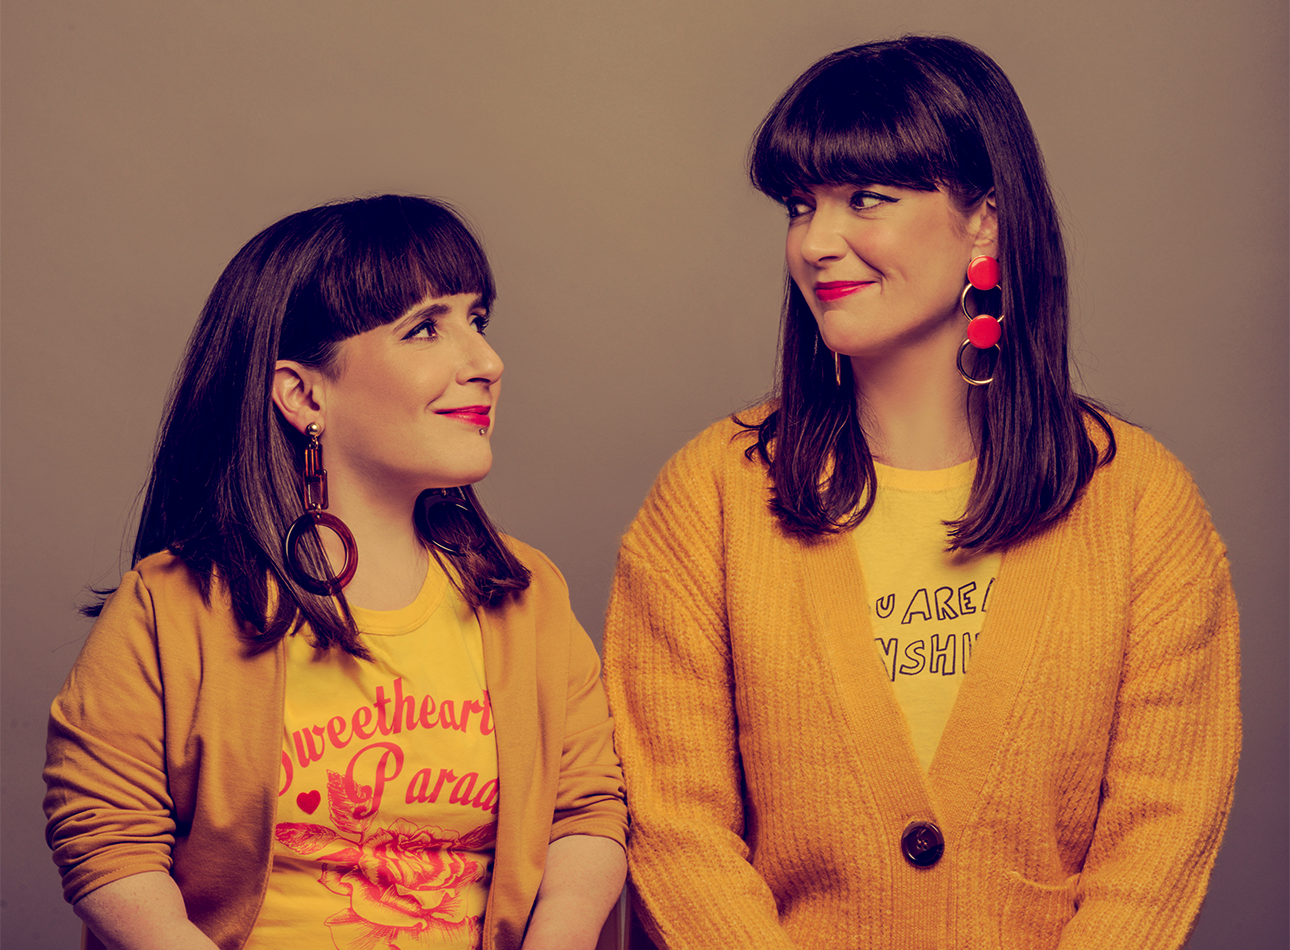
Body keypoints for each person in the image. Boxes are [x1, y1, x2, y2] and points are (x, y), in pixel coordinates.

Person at [603, 35, 1239, 950]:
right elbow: (674, 823)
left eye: (867, 199)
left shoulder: (1140, 502)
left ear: (983, 220)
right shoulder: (711, 495)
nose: (817, 243)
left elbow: (1161, 832)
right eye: (800, 205)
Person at [44, 194, 627, 950]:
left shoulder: (525, 591)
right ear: (304, 393)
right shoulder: (171, 605)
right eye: (425, 328)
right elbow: (104, 838)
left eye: (476, 321)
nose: (486, 362)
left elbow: (585, 812)